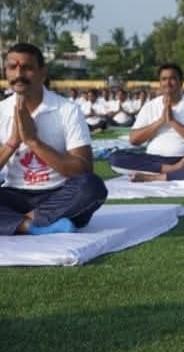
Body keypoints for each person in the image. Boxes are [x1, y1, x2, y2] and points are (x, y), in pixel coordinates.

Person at [0, 43, 107, 235]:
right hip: (14, 194)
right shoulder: (1, 112)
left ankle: (24, 220)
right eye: (12, 67)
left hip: (58, 193)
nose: (19, 74)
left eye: (27, 67)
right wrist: (12, 143)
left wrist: (34, 141)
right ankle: (33, 226)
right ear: (5, 72)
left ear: (43, 72)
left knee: (92, 187)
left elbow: (83, 169)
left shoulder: (67, 110)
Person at [109, 64, 184, 182]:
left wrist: (172, 121)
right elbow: (134, 140)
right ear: (160, 83)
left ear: (181, 83)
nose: (168, 82)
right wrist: (160, 121)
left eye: (172, 78)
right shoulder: (150, 106)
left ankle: (157, 177)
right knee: (115, 158)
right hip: (154, 160)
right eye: (164, 79)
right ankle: (171, 170)